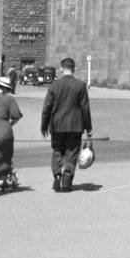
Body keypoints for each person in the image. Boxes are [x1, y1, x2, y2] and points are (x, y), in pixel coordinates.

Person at [40, 57, 93, 192]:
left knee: (57, 150)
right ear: (73, 69)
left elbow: (46, 108)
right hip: (75, 126)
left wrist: (44, 126)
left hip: (57, 125)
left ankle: (57, 176)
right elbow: (85, 108)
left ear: (61, 68)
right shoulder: (80, 85)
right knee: (72, 152)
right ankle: (67, 180)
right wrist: (88, 127)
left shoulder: (53, 86)